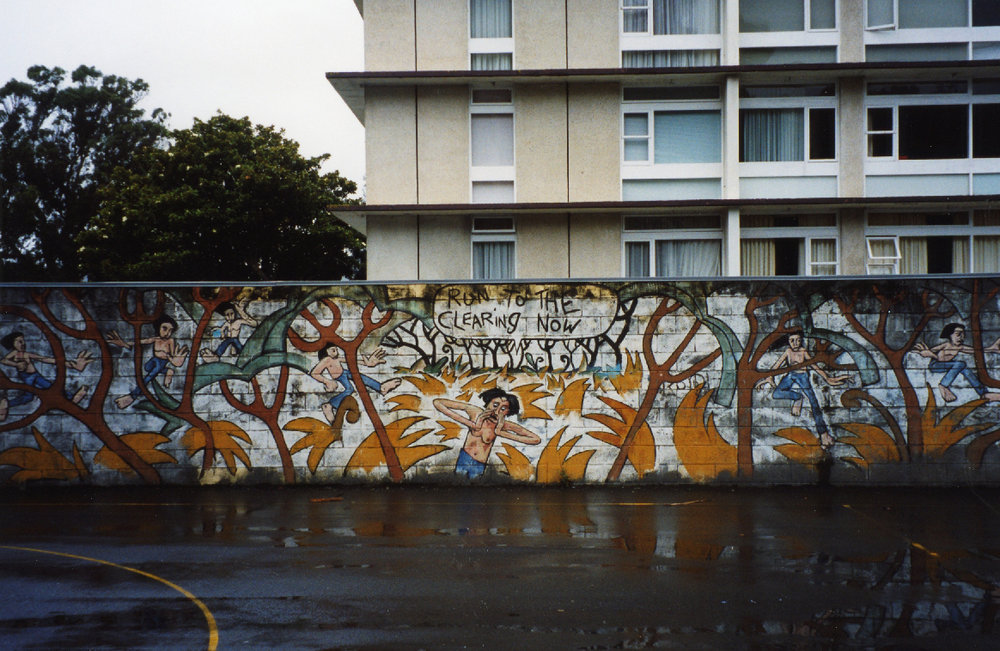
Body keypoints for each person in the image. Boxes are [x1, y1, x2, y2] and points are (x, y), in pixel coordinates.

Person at [757, 330, 849, 449]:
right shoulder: (788, 351)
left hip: (802, 377)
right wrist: (769, 377)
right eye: (792, 340)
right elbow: (777, 364)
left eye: (798, 340)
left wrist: (827, 377)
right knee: (776, 393)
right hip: (791, 375)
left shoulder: (803, 351)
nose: (795, 343)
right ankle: (797, 397)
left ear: (801, 341)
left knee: (814, 402)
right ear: (788, 342)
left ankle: (824, 435)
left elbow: (813, 365)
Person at [433, 388, 541, 479]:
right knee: (458, 488)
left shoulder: (503, 425)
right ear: (488, 403)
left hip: (479, 465)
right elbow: (438, 403)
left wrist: (500, 433)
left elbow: (536, 439)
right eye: (495, 405)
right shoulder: (475, 413)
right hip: (464, 458)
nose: (496, 411)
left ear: (507, 412)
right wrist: (471, 424)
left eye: (503, 409)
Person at [0, 330, 94, 420]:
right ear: (13, 343)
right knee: (29, 397)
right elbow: (3, 360)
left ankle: (70, 398)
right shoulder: (15, 353)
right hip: (28, 378)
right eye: (20, 341)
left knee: (50, 388)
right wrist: (16, 364)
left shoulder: (26, 354)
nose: (23, 343)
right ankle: (7, 404)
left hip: (36, 376)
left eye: (23, 341)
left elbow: (44, 359)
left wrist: (71, 364)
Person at [106, 315, 190, 409]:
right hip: (154, 360)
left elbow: (173, 354)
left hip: (162, 362)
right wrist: (124, 344)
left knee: (149, 376)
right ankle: (168, 371)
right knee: (147, 368)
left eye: (170, 330)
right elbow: (142, 341)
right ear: (158, 328)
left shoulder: (170, 341)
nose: (167, 333)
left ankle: (132, 396)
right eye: (164, 328)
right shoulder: (156, 339)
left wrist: (174, 360)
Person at [309, 344, 402, 424]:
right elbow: (314, 373)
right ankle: (330, 405)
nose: (336, 352)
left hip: (344, 372)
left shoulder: (336, 359)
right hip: (340, 376)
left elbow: (351, 361)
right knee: (349, 389)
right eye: (333, 350)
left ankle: (380, 387)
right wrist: (327, 381)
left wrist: (367, 363)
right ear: (326, 351)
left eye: (336, 350)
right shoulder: (326, 360)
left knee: (358, 376)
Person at [913, 323, 1000, 403]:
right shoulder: (946, 345)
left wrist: (992, 349)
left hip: (949, 365)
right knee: (960, 364)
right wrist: (927, 352)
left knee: (965, 370)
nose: (961, 337)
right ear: (950, 335)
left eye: (963, 335)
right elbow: (932, 353)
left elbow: (976, 351)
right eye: (958, 334)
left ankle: (984, 393)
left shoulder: (960, 347)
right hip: (935, 365)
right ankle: (943, 385)